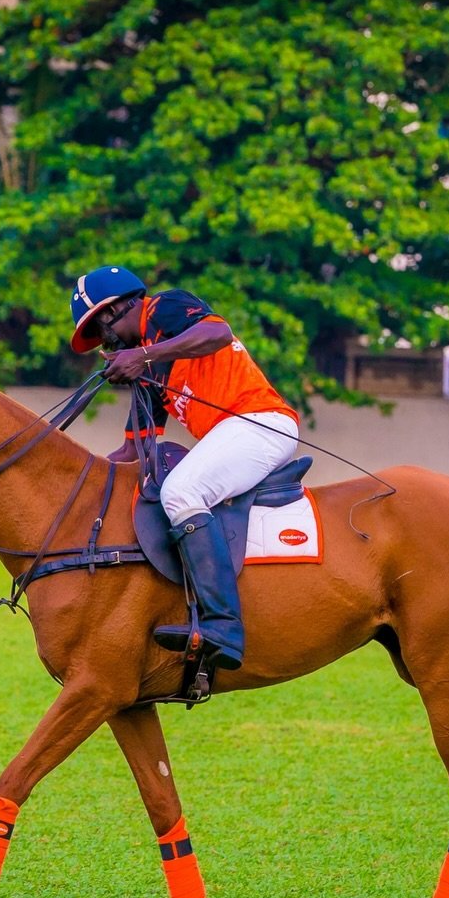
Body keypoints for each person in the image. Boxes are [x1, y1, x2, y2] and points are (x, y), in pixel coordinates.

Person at [70, 265, 300, 670]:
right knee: (167, 487)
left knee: (181, 491)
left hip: (262, 423)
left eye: (98, 329)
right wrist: (75, 479)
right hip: (233, 434)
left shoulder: (165, 306)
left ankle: (224, 627)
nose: (103, 343)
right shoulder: (148, 371)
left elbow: (218, 333)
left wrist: (142, 355)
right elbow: (133, 452)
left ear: (114, 309)